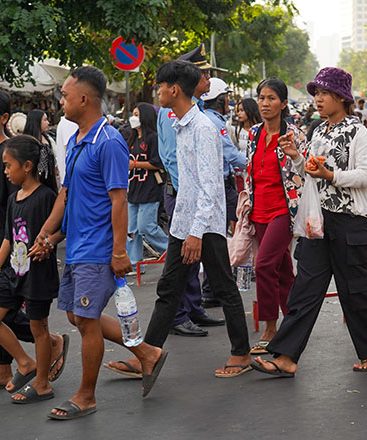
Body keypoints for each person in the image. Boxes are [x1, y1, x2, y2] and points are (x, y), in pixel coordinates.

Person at [33, 66, 167, 420]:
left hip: (97, 247)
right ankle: (148, 353)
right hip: (76, 245)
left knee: (87, 321)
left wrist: (119, 251)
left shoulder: (108, 141)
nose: (60, 100)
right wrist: (47, 232)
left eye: (64, 94)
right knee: (77, 315)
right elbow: (66, 193)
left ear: (83, 98)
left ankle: (86, 396)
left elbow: (119, 200)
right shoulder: (77, 139)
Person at [106, 60, 251, 380]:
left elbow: (211, 185)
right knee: (169, 290)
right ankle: (149, 353)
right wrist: (182, 228)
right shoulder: (180, 124)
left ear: (174, 89)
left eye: (160, 86)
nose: (157, 92)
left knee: (225, 288)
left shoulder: (202, 128)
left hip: (204, 225)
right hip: (184, 222)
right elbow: (188, 184)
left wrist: (196, 233)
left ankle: (241, 353)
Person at [252, 67, 367, 377]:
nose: (318, 99)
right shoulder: (319, 132)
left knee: (354, 290)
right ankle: (286, 356)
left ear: (341, 97)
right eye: (316, 93)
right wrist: (297, 159)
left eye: (324, 93)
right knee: (305, 288)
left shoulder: (359, 132)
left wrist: (332, 175)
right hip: (319, 222)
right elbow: (309, 174)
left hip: (350, 223)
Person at [0, 89, 65, 393]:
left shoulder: (12, 156)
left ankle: (46, 350)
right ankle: (2, 367)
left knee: (9, 314)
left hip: (10, 252)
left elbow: (23, 214)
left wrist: (39, 244)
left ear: (4, 118)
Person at [147, 45, 220, 336]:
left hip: (198, 198)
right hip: (183, 194)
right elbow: (171, 157)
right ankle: (178, 317)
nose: (208, 81)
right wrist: (183, 189)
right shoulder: (173, 113)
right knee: (183, 266)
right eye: (204, 74)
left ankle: (191, 310)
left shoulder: (197, 114)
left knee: (197, 266)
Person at [245, 78, 306, 355]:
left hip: (284, 209)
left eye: (271, 98)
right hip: (258, 209)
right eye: (261, 97)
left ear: (283, 103)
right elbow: (250, 172)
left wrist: (293, 155)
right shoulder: (253, 134)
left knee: (263, 265)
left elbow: (304, 171)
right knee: (282, 270)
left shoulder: (294, 134)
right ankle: (294, 323)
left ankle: (271, 327)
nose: (265, 103)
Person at [125, 103, 169, 266]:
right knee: (131, 230)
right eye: (133, 114)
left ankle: (171, 251)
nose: (133, 118)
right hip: (134, 188)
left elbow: (158, 163)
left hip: (150, 188)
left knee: (146, 227)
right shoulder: (131, 138)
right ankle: (135, 262)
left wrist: (135, 165)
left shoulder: (153, 138)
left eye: (137, 114)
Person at [202, 77, 246, 230]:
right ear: (220, 99)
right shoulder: (214, 122)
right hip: (221, 185)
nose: (229, 101)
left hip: (217, 182)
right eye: (227, 96)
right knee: (245, 218)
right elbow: (232, 155)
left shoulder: (207, 118)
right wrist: (259, 162)